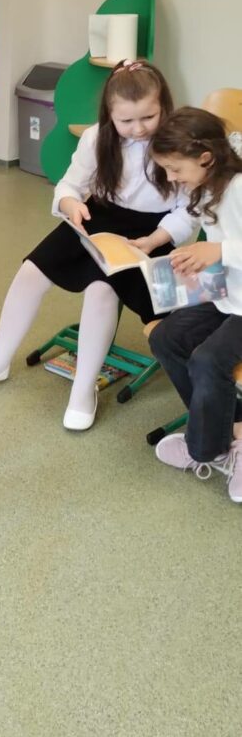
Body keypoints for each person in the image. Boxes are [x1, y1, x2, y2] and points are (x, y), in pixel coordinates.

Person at [0, 59, 194, 430]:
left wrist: (157, 239)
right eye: (126, 121)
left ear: (164, 106)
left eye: (149, 117)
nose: (138, 129)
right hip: (97, 219)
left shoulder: (181, 146)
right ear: (109, 115)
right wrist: (70, 204)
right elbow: (70, 184)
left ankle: (83, 390)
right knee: (31, 271)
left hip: (153, 234)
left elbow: (189, 211)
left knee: (102, 291)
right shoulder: (96, 138)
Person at [147, 107, 242, 502]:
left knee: (208, 360)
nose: (171, 178)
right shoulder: (206, 185)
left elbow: (224, 244)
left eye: (175, 169)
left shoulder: (239, 187)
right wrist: (180, 253)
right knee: (166, 338)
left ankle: (206, 446)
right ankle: (229, 430)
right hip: (229, 295)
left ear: (205, 157)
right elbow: (195, 222)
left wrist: (217, 251)